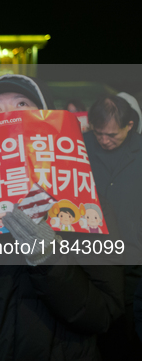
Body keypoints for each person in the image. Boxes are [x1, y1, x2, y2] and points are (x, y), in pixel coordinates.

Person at [0, 75, 124, 360]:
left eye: (22, 103)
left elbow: (102, 314)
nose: (9, 116)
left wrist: (48, 257)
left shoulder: (84, 200)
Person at [84, 94, 142, 359]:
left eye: (111, 135)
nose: (104, 140)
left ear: (129, 125)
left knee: (127, 333)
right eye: (98, 134)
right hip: (90, 258)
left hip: (131, 260)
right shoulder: (79, 147)